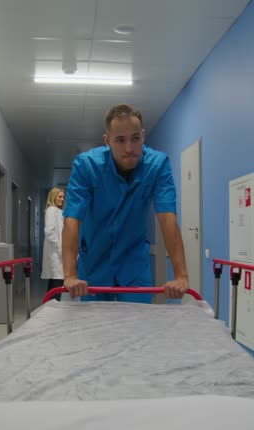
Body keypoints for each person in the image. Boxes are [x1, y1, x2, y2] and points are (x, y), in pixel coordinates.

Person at [62, 104, 189, 303]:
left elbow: (167, 219)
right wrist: (70, 275)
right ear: (107, 141)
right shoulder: (87, 166)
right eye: (120, 140)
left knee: (138, 329)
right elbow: (72, 220)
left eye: (135, 139)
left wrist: (181, 275)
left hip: (134, 266)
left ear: (143, 136)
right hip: (95, 263)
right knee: (93, 329)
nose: (129, 148)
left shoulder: (157, 165)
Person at [41, 187, 65, 301]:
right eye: (59, 196)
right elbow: (49, 232)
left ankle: (48, 310)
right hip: (55, 253)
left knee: (54, 282)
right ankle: (53, 312)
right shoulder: (51, 210)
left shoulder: (58, 211)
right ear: (53, 197)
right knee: (57, 282)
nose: (62, 199)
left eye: (64, 197)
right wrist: (61, 248)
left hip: (57, 252)